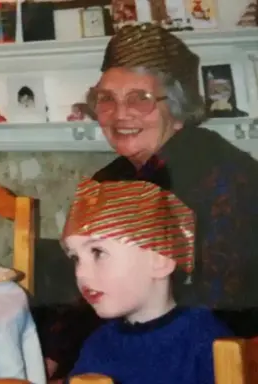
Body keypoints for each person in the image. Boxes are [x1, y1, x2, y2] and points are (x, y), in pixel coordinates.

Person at [43, 23, 258, 380]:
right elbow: (85, 284)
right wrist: (52, 355)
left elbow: (224, 304)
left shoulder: (225, 175)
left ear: (175, 106)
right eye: (107, 99)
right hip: (132, 336)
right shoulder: (109, 180)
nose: (119, 113)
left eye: (140, 99)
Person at [63, 178, 231, 383]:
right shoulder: (97, 345)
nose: (80, 273)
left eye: (98, 252)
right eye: (75, 258)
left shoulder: (206, 343)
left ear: (160, 259)